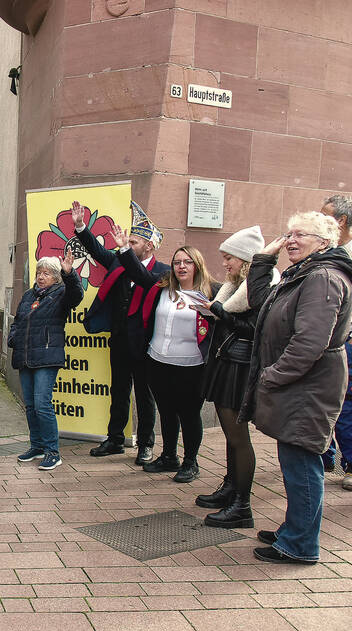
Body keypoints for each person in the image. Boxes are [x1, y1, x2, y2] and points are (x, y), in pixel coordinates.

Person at [240, 211, 352, 565]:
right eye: (288, 234)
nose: (290, 240)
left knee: (303, 464)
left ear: (324, 242)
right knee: (297, 460)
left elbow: (310, 343)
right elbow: (260, 303)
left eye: (299, 235)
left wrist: (272, 375)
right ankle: (295, 529)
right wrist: (263, 259)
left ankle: (300, 544)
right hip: (300, 384)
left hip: (309, 386)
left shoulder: (323, 277)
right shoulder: (306, 272)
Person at [115, 228, 219, 483]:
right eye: (177, 262)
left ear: (197, 265)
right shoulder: (163, 285)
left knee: (189, 414)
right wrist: (124, 250)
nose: (181, 267)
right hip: (158, 361)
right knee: (167, 411)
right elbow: (139, 274)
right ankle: (169, 456)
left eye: (187, 262)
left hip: (191, 366)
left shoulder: (211, 292)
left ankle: (190, 461)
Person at [73, 201, 168, 464]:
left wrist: (125, 251)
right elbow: (96, 249)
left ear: (148, 246)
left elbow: (142, 277)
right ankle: (115, 439)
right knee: (118, 391)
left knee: (145, 396)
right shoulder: (118, 261)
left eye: (133, 242)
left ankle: (146, 444)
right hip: (119, 340)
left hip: (146, 344)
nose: (124, 244)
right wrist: (81, 227)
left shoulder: (163, 272)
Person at [196, 226, 275, 528]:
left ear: (245, 260)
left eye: (229, 258)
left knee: (239, 439)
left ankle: (242, 506)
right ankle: (231, 488)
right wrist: (217, 311)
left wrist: (219, 311)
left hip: (242, 368)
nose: (225, 264)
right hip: (228, 361)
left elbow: (254, 329)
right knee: (231, 437)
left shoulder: (261, 286)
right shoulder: (234, 287)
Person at [9, 251, 83, 470]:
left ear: (56, 277)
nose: (41, 277)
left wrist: (69, 274)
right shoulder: (29, 296)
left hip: (47, 357)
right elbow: (18, 320)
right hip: (25, 356)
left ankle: (53, 451)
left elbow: (76, 295)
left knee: (42, 405)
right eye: (39, 272)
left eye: (48, 273)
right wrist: (13, 337)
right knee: (30, 406)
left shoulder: (61, 293)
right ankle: (37, 446)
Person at [320, 195, 352, 490]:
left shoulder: (347, 256)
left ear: (340, 221)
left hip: (346, 339)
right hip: (323, 338)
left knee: (344, 404)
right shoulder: (329, 253)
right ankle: (325, 454)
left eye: (324, 216)